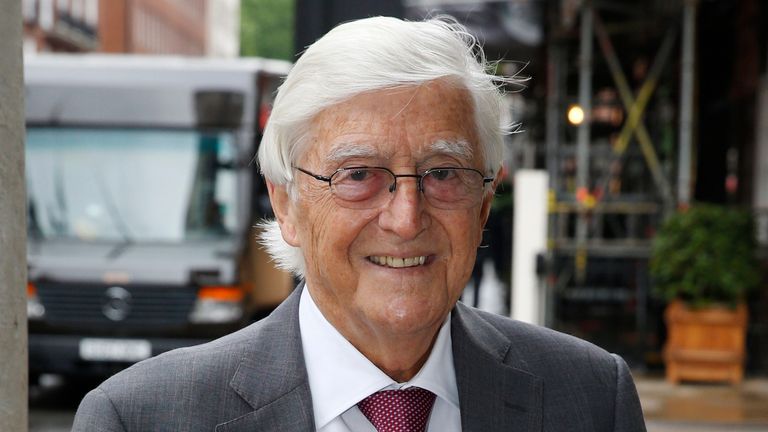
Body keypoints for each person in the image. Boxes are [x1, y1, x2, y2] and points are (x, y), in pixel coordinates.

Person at [72, 16, 646, 432]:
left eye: (442, 173)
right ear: (286, 205)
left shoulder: (593, 399)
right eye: (359, 174)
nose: (406, 218)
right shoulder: (140, 418)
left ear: (483, 205)